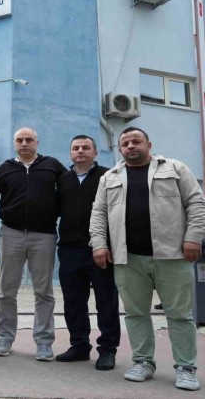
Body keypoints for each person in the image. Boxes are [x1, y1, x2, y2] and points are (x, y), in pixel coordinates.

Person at [90, 127, 205, 391]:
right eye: (125, 143)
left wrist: (194, 237)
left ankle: (186, 367)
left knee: (180, 314)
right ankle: (143, 362)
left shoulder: (175, 168)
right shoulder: (110, 177)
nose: (130, 146)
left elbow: (196, 204)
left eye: (136, 141)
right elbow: (98, 213)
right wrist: (99, 244)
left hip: (172, 256)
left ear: (149, 144)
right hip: (128, 258)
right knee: (135, 313)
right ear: (120, 149)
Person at [0, 127, 66, 361]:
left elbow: (70, 192)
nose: (24, 143)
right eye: (20, 140)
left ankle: (44, 342)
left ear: (37, 143)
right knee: (6, 291)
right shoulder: (5, 168)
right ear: (15, 144)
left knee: (44, 292)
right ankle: (5, 337)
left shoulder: (52, 166)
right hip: (11, 234)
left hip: (44, 236)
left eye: (28, 140)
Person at [55, 135, 120, 370]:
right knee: (73, 302)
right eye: (75, 148)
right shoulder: (63, 179)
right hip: (69, 249)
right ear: (70, 153)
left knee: (106, 301)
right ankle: (79, 346)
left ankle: (108, 350)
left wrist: (106, 244)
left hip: (100, 249)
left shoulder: (108, 176)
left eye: (85, 147)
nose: (80, 151)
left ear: (95, 152)